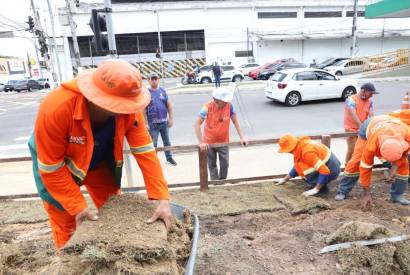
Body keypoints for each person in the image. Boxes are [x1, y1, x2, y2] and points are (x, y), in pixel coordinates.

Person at [28, 59, 172, 249]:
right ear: (97, 97)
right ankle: (68, 261)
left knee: (115, 208)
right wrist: (78, 206)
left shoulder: (129, 108)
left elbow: (145, 151)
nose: (128, 111)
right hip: (58, 168)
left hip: (98, 160)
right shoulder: (56, 107)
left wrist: (163, 198)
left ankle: (115, 252)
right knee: (68, 220)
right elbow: (51, 168)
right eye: (121, 106)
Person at [335, 115, 410, 207]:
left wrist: (394, 167)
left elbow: (404, 155)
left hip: (392, 124)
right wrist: (367, 194)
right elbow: (365, 167)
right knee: (356, 161)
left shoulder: (407, 136)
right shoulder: (371, 146)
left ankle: (397, 195)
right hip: (370, 125)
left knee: (403, 165)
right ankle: (343, 191)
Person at [194, 86, 248, 181]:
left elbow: (235, 122)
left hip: (223, 142)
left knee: (225, 164)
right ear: (216, 100)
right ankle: (215, 183)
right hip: (209, 142)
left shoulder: (229, 106)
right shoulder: (207, 107)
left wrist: (242, 137)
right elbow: (196, 124)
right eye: (222, 101)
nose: (225, 103)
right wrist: (201, 142)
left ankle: (222, 181)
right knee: (212, 164)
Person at [274, 134, 341, 196]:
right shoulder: (300, 145)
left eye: (288, 150)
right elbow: (297, 166)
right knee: (303, 167)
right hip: (329, 163)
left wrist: (316, 190)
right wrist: (284, 179)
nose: (288, 152)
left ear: (291, 148)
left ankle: (321, 189)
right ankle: (318, 184)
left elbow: (324, 171)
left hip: (332, 168)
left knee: (308, 172)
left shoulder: (307, 153)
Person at [145, 72, 177, 166]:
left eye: (155, 79)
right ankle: (153, 161)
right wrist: (145, 123)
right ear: (149, 80)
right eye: (152, 79)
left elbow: (169, 106)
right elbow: (143, 109)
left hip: (164, 122)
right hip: (152, 123)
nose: (154, 81)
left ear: (158, 80)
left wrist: (171, 119)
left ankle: (169, 157)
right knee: (153, 143)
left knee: (167, 141)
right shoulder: (146, 93)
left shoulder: (163, 91)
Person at [344, 82, 377, 164]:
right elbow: (353, 114)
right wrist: (361, 126)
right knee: (352, 149)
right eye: (371, 93)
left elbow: (371, 114)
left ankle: (357, 166)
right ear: (364, 91)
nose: (372, 96)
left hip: (362, 128)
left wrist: (374, 123)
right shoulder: (351, 99)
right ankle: (347, 166)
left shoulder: (369, 101)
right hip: (350, 129)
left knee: (361, 149)